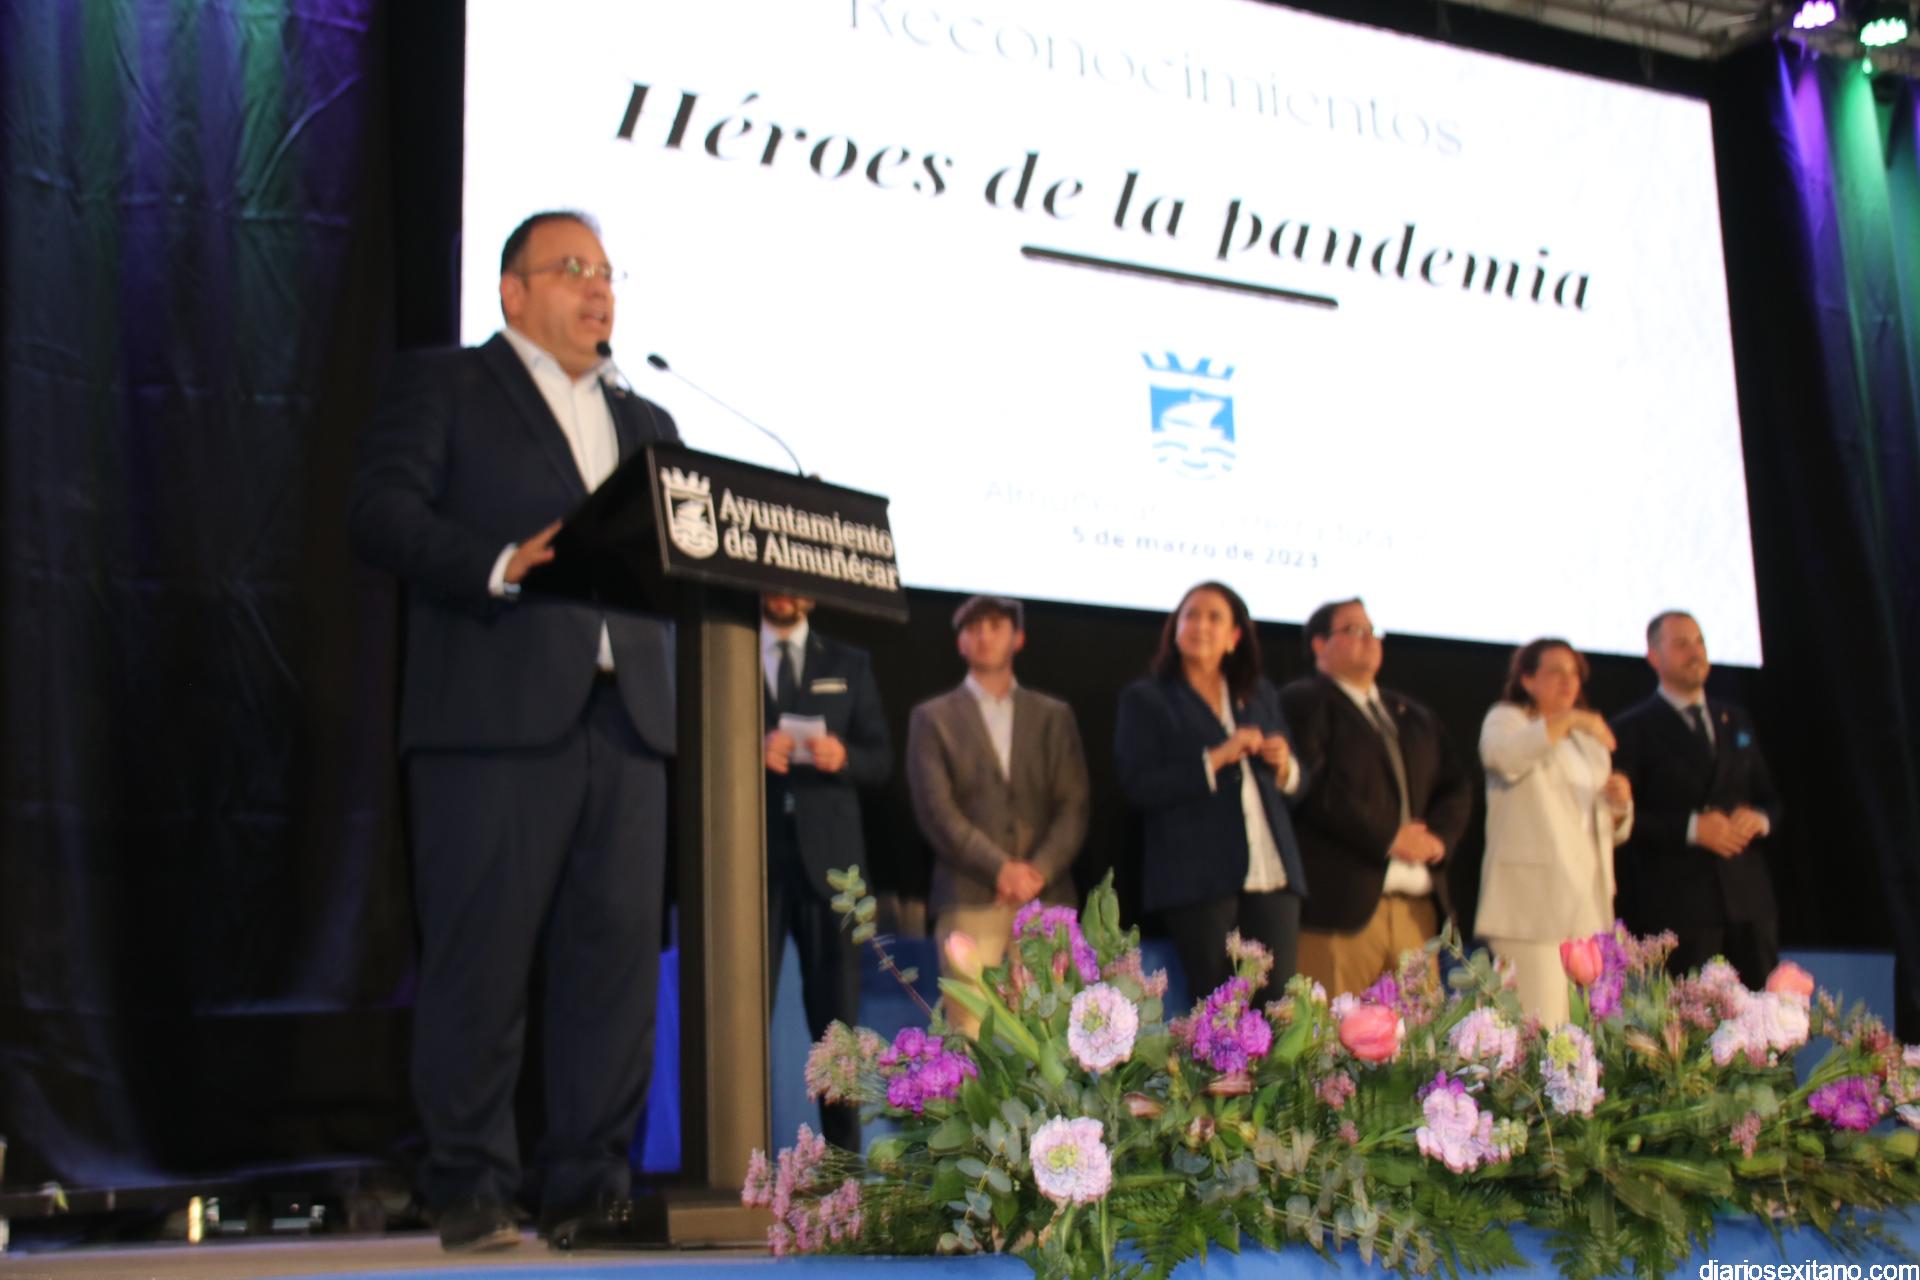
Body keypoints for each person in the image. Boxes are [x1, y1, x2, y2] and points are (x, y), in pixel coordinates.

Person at [349, 211, 678, 1251]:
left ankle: (590, 1186)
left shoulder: (650, 419)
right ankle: (472, 1184)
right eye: (572, 268)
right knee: (479, 967)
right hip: (491, 722)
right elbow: (378, 511)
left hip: (630, 724)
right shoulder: (447, 386)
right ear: (513, 291)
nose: (598, 288)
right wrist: (496, 562)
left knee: (613, 975)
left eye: (606, 271)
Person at [1115, 581, 1307, 1006]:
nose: (1200, 625)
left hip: (1272, 872)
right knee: (1219, 1009)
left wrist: (1284, 765)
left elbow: (1298, 783)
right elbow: (1139, 784)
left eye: (1214, 617)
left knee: (1279, 1007)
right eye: (1191, 615)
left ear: (1235, 636)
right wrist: (1217, 757)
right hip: (1196, 880)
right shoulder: (1147, 698)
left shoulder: (1258, 694)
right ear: (1174, 629)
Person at [906, 595, 1090, 1026]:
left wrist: (1037, 871)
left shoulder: (1053, 715)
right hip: (969, 898)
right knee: (969, 1034)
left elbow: (1075, 804)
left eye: (995, 626)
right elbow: (936, 811)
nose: (984, 636)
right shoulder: (932, 718)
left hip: (1047, 898)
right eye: (973, 628)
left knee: (1052, 1034)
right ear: (960, 643)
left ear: (1018, 638)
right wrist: (1000, 869)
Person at [1281, 599, 1473, 996]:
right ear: (1319, 644)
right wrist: (1390, 837)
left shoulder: (1411, 714)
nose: (1368, 639)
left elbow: (1455, 785)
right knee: (1328, 1029)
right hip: (1340, 911)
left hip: (1416, 913)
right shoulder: (1302, 702)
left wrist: (1438, 838)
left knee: (1420, 1032)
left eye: (1372, 631)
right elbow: (1314, 787)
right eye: (1353, 630)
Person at [761, 591, 890, 1152]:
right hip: (751, 859)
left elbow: (880, 759)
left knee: (837, 1023)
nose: (784, 590)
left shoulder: (849, 662)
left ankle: (844, 1166)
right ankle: (737, 1164)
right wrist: (749, 749)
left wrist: (845, 757)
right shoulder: (727, 648)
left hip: (833, 866)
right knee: (742, 1015)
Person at [1610, 610, 1781, 985]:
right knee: (1691, 1015)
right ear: (1654, 657)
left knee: (1765, 1011)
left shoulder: (1735, 719)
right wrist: (1691, 828)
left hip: (1749, 902)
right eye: (1681, 644)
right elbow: (1622, 821)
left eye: (1699, 641)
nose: (1695, 652)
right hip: (1682, 907)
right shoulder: (1631, 728)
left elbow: (1770, 800)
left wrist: (1760, 819)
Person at [1476, 638, 1633, 1025]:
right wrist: (1572, 720)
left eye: (1574, 673)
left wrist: (1619, 807)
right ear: (1527, 679)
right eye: (1556, 671)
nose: (1568, 680)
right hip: (1532, 909)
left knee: (1584, 1033)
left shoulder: (1588, 741)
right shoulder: (1508, 718)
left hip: (1585, 902)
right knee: (1540, 1028)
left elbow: (1598, 827)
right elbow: (1503, 757)